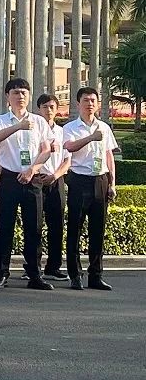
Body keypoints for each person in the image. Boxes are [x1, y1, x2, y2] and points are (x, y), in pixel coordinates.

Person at [0, 78, 54, 290]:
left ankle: (35, 274)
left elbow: (46, 150)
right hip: (10, 179)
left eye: (24, 92)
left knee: (34, 228)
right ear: (7, 96)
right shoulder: (0, 120)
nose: (20, 96)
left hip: (32, 178)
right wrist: (18, 126)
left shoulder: (39, 121)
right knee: (5, 227)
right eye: (16, 92)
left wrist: (32, 170)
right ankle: (2, 273)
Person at [62, 87, 118, 291]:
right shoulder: (70, 127)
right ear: (78, 103)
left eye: (93, 100)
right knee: (75, 229)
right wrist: (91, 138)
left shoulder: (104, 127)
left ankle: (96, 275)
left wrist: (112, 183)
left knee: (98, 230)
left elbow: (109, 156)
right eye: (86, 100)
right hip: (79, 180)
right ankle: (75, 275)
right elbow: (69, 147)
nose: (90, 104)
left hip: (100, 180)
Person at [31, 93, 69, 282]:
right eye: (45, 107)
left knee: (56, 225)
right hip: (36, 179)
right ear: (39, 109)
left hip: (56, 180)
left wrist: (55, 175)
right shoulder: (33, 129)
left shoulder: (63, 132)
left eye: (52, 107)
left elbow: (67, 160)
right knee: (34, 225)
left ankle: (53, 267)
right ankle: (33, 267)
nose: (49, 110)